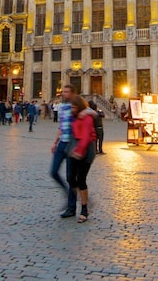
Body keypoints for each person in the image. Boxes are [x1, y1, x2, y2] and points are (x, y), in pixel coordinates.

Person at [66, 95, 98, 223]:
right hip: (76, 147)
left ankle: (84, 209)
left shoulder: (86, 117)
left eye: (74, 107)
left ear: (79, 107)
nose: (72, 109)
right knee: (70, 177)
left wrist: (79, 151)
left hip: (87, 149)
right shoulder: (74, 116)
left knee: (81, 178)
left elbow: (86, 136)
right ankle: (85, 198)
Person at [50, 86, 78, 217]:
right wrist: (55, 142)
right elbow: (61, 126)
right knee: (53, 172)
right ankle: (68, 192)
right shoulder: (62, 107)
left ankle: (71, 207)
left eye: (66, 92)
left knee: (70, 177)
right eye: (63, 92)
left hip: (72, 144)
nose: (63, 94)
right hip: (62, 143)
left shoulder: (77, 107)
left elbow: (90, 113)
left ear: (72, 94)